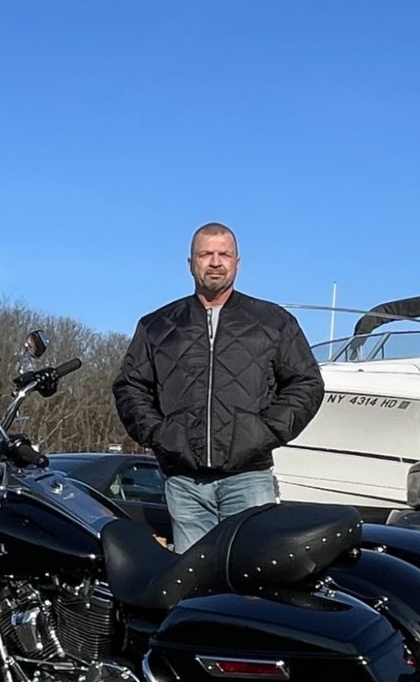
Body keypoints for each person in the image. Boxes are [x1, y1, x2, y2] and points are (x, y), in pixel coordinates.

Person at [112, 222, 324, 551]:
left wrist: (263, 433)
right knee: (194, 582)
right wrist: (161, 435)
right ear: (190, 263)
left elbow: (306, 382)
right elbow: (130, 387)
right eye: (205, 254)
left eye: (224, 254)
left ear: (237, 261)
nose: (215, 262)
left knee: (252, 579)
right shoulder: (157, 325)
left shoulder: (272, 322)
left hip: (249, 478)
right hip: (184, 482)